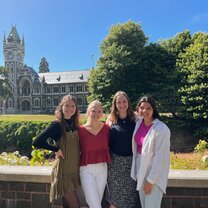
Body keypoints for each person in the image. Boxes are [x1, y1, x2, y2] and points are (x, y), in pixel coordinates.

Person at [32, 95, 81, 208]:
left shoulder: (74, 124)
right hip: (63, 170)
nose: (70, 108)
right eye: (67, 105)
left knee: (67, 205)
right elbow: (37, 142)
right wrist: (56, 149)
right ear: (61, 107)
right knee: (75, 205)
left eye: (73, 106)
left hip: (73, 170)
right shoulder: (57, 125)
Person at [131, 95, 170, 208]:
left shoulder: (161, 129)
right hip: (141, 171)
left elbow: (161, 158)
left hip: (154, 176)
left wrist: (151, 180)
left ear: (154, 109)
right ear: (138, 109)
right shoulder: (138, 123)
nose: (145, 111)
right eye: (142, 107)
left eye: (149, 108)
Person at [106, 91, 140, 208]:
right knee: (114, 197)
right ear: (115, 104)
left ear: (128, 103)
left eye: (124, 101)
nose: (121, 104)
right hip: (114, 164)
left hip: (131, 163)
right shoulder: (111, 120)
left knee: (130, 197)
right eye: (118, 102)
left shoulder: (136, 119)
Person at [78, 100, 111, 208]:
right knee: (96, 205)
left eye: (99, 111)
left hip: (102, 169)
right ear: (88, 112)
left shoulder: (107, 129)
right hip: (86, 170)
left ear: (102, 113)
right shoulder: (81, 130)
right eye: (93, 111)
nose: (96, 114)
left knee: (95, 203)